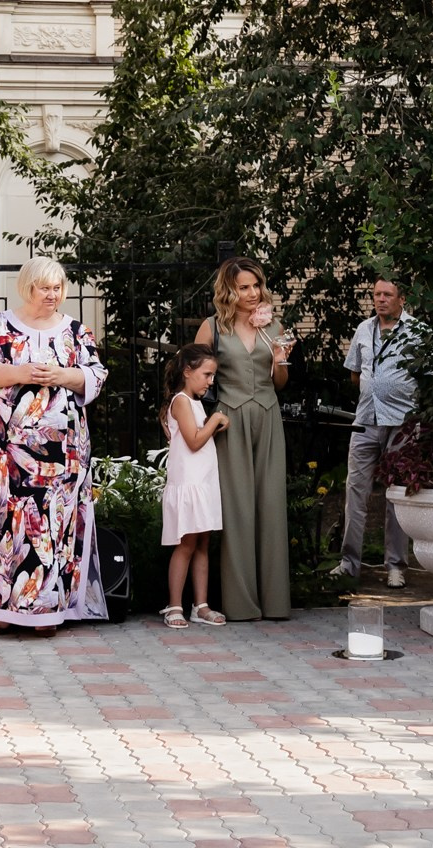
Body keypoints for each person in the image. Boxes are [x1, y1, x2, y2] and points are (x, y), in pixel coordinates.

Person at [0, 257, 108, 633]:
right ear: (28, 287)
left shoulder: (76, 331)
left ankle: (48, 610)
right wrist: (20, 372)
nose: (52, 295)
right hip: (4, 449)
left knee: (53, 523)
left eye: (57, 288)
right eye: (45, 287)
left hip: (62, 452)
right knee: (2, 521)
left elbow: (96, 376)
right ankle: (1, 609)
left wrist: (62, 375)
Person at [193, 256, 292, 622]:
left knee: (271, 505)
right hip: (229, 420)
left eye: (256, 286)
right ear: (229, 291)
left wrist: (280, 359)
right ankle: (241, 605)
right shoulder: (212, 328)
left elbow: (279, 383)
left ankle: (275, 602)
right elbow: (194, 378)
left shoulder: (274, 326)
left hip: (268, 416)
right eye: (244, 287)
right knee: (236, 509)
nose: (252, 293)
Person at [334, 277, 416, 589]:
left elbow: (428, 376)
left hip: (402, 424)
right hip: (366, 420)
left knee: (397, 495)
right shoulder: (363, 329)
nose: (380, 299)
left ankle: (395, 566)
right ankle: (349, 564)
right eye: (376, 294)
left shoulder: (417, 332)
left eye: (387, 294)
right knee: (355, 491)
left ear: (401, 299)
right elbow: (355, 374)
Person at [158, 343, 227, 628]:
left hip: (203, 483)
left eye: (213, 376)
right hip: (189, 484)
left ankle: (201, 605)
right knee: (186, 544)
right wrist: (216, 419)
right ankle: (174, 605)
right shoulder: (181, 401)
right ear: (187, 371)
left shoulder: (194, 402)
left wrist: (212, 425)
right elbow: (194, 441)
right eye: (207, 375)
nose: (211, 381)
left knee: (202, 544)